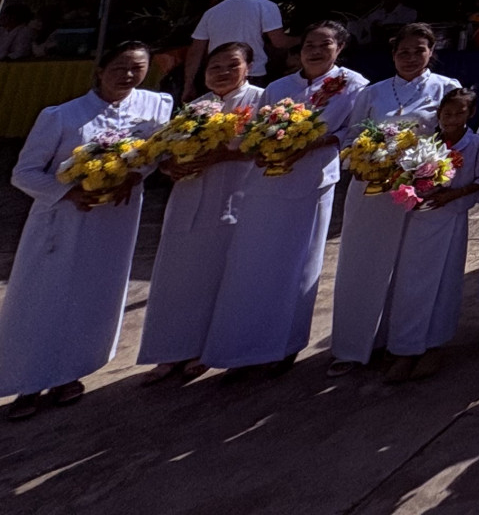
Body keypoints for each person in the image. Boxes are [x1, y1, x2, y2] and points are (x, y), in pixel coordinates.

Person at [1, 41, 171, 419]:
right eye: (120, 66)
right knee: (43, 298)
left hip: (114, 221)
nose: (128, 74)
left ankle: (70, 373)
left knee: (94, 296)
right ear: (99, 69)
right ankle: (27, 382)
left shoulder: (156, 107)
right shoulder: (63, 116)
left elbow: (155, 153)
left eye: (137, 68)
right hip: (62, 220)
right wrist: (69, 192)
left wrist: (134, 177)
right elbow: (24, 172)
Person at [199, 23, 368, 376]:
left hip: (312, 182)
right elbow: (258, 130)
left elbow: (352, 133)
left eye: (325, 44)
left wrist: (311, 144)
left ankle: (284, 346)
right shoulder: (279, 87)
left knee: (299, 264)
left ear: (340, 48)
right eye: (309, 44)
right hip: (265, 185)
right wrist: (262, 148)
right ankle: (244, 348)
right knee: (255, 263)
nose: (315, 50)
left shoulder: (354, 85)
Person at [327, 23, 461, 377]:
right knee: (364, 264)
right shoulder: (372, 93)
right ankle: (354, 346)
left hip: (421, 190)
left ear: (431, 52)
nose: (411, 58)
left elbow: (456, 139)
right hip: (373, 190)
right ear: (392, 54)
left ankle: (410, 343)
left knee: (416, 268)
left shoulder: (448, 88)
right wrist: (363, 162)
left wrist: (428, 171)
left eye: (419, 50)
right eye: (403, 51)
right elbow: (352, 137)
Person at [138, 41, 266, 384]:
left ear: (249, 67)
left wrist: (225, 156)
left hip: (234, 197)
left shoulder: (262, 101)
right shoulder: (195, 106)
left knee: (219, 275)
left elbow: (270, 147)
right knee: (176, 276)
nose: (222, 73)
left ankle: (206, 350)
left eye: (231, 65)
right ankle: (169, 351)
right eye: (214, 67)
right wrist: (168, 167)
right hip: (187, 197)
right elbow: (163, 151)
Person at [383, 87, 479, 382]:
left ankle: (433, 347)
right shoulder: (424, 141)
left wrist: (452, 195)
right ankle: (405, 349)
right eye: (447, 112)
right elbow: (403, 174)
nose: (452, 117)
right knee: (410, 284)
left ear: (470, 114)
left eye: (460, 112)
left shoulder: (478, 144)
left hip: (451, 220)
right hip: (417, 220)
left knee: (443, 285)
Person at [185, 0, 289, 95]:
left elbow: (195, 51)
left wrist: (188, 83)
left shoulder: (213, 11)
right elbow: (279, 42)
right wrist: (303, 39)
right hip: (249, 74)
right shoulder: (266, 6)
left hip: (217, 75)